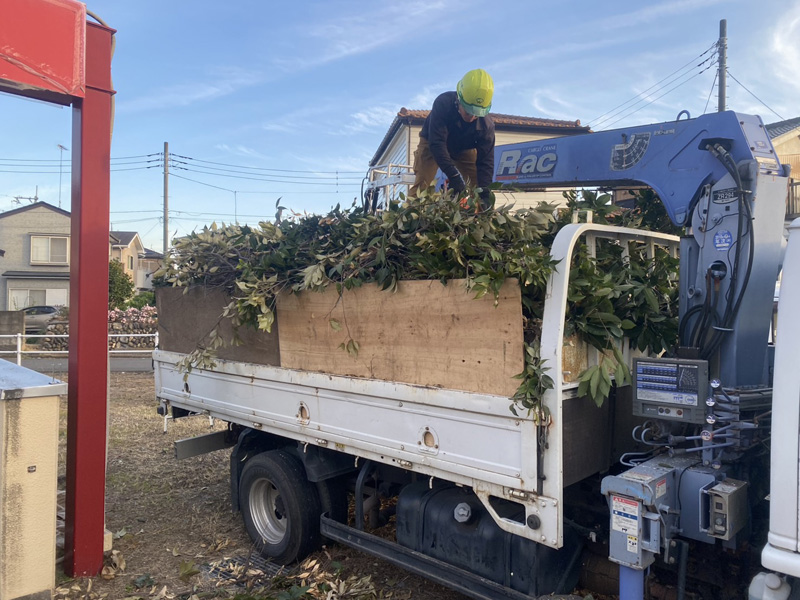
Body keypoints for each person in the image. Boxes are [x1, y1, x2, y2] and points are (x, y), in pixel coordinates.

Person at [408, 69, 496, 205]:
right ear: (459, 100)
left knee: (479, 188)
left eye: (477, 113)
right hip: (432, 144)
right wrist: (453, 175)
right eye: (468, 111)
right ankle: (410, 213)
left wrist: (485, 193)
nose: (472, 117)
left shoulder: (486, 126)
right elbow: (437, 143)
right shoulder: (443, 104)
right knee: (422, 186)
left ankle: (482, 215)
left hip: (464, 148)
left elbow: (486, 162)